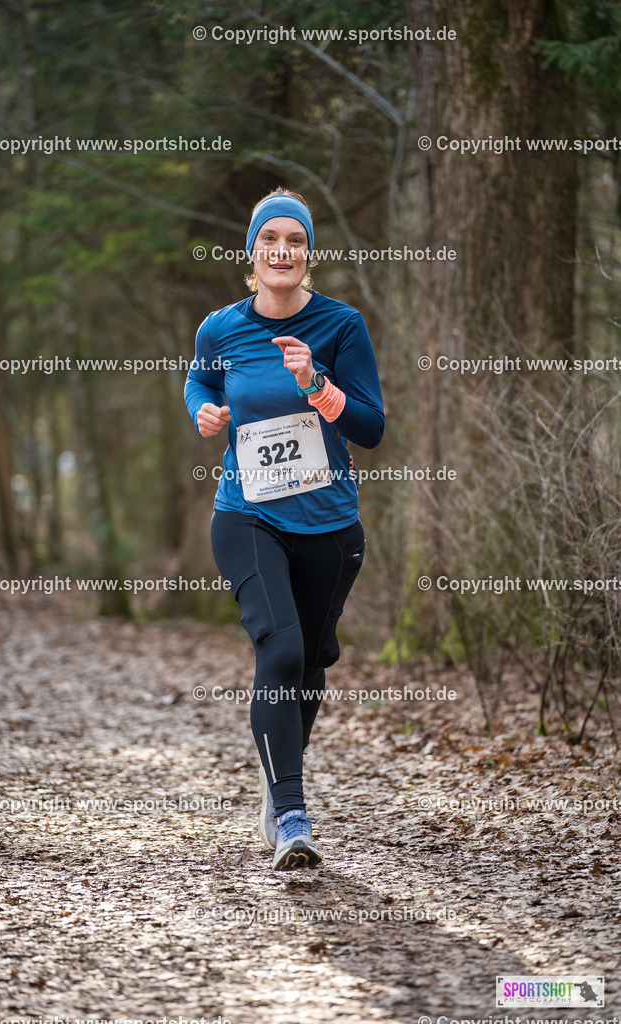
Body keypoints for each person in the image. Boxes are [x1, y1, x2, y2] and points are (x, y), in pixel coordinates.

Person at [184, 188, 384, 870]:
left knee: (311, 661)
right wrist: (206, 415)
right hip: (246, 513)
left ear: (307, 255)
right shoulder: (221, 328)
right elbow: (199, 383)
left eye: (294, 241)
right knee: (280, 650)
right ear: (251, 254)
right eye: (269, 239)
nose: (281, 250)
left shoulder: (340, 325)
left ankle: (277, 785)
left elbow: (371, 426)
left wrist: (315, 385)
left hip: (329, 523)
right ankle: (291, 815)